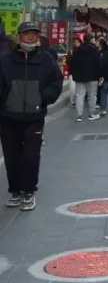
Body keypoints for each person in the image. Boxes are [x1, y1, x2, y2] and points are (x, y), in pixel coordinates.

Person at [0, 22, 63, 210]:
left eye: (34, 34)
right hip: (8, 117)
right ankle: (15, 191)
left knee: (30, 156)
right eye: (26, 34)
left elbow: (56, 82)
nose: (30, 37)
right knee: (11, 156)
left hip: (34, 117)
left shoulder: (46, 60)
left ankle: (29, 191)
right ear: (19, 36)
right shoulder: (6, 60)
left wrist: (43, 97)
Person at [69, 33, 102, 122]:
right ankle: (91, 114)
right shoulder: (95, 50)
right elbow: (98, 64)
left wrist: (74, 74)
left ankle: (79, 116)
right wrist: (100, 75)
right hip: (92, 77)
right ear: (92, 40)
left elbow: (72, 63)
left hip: (79, 77)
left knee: (79, 96)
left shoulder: (77, 50)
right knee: (92, 96)